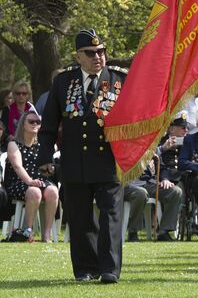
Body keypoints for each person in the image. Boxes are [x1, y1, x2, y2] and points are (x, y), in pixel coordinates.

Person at [37, 28, 127, 283]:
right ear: (78, 57)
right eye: (90, 53)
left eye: (101, 52)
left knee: (110, 214)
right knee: (79, 217)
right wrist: (45, 156)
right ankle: (86, 269)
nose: (98, 57)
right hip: (75, 159)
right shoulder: (64, 82)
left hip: (109, 160)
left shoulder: (121, 80)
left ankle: (110, 269)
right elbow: (49, 125)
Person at [3, 110, 58, 242]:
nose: (35, 124)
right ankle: (27, 233)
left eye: (38, 122)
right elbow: (17, 166)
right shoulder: (13, 144)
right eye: (31, 121)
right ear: (23, 124)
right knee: (35, 192)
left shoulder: (43, 145)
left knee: (53, 191)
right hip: (19, 182)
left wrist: (49, 170)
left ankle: (46, 235)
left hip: (40, 182)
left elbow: (47, 171)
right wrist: (30, 181)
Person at [124, 154, 183, 242]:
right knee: (141, 193)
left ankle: (163, 231)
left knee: (175, 191)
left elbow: (162, 167)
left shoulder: (149, 146)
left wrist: (165, 179)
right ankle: (133, 232)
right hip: (129, 184)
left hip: (149, 183)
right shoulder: (125, 145)